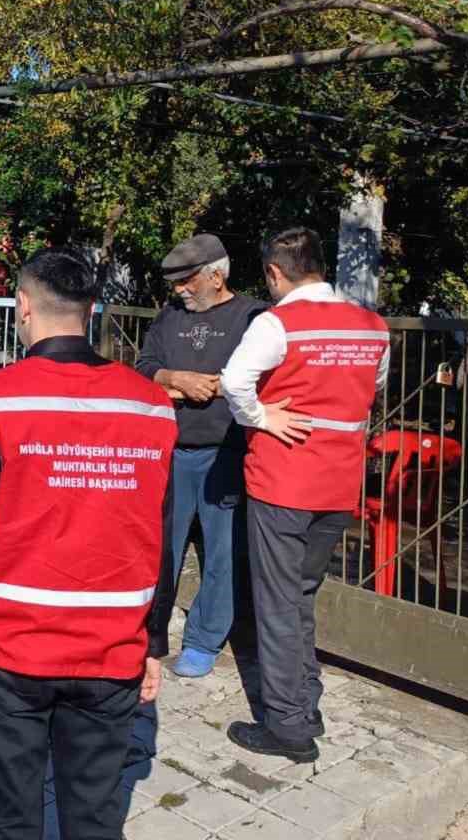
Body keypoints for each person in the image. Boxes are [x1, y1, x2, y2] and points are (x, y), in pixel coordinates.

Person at [0, 248, 177, 840]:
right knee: (92, 818)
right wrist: (154, 641)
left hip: (11, 649)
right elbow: (160, 538)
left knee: (12, 822)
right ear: (91, 311)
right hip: (112, 649)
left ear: (22, 307)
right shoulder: (151, 404)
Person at [220, 226, 389, 763]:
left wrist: (263, 416)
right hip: (340, 483)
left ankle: (288, 726)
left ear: (275, 272)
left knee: (276, 602)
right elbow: (373, 385)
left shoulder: (277, 323)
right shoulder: (371, 326)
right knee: (302, 594)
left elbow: (233, 382)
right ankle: (305, 701)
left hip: (283, 479)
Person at [133, 234, 266, 679]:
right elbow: (144, 365)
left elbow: (268, 375)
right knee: (159, 549)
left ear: (216, 275)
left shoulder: (253, 316)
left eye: (187, 281)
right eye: (175, 284)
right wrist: (175, 377)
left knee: (222, 554)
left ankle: (204, 640)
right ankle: (149, 635)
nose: (179, 291)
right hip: (169, 451)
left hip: (226, 452)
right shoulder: (169, 317)